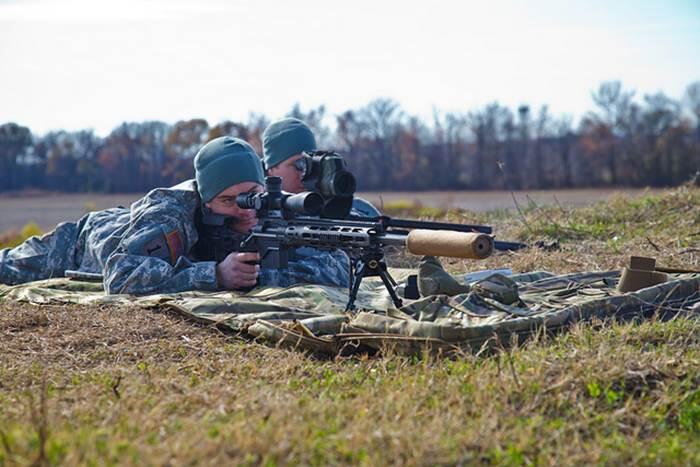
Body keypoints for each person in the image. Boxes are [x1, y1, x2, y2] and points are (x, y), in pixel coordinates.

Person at [0, 137, 349, 294]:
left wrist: (265, 277)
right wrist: (214, 274)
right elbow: (122, 276)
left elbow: (335, 262)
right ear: (206, 199)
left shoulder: (270, 206)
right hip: (80, 244)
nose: (246, 210)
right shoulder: (170, 212)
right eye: (230, 200)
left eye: (252, 196)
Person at [261, 117, 382, 217]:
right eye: (299, 164)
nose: (307, 172)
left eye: (311, 163)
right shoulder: (252, 215)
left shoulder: (359, 210)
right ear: (271, 170)